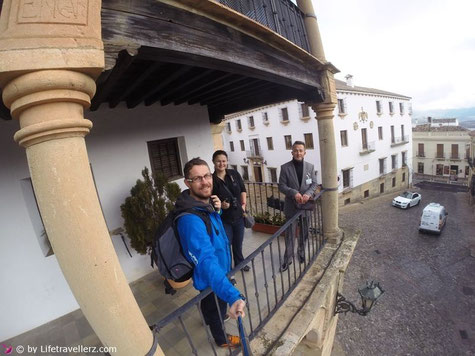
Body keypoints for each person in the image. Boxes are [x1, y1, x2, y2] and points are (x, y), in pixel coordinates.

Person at [176, 157, 246, 348]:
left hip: (218, 273)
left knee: (210, 306)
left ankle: (209, 317)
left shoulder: (201, 206)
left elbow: (214, 232)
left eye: (207, 175)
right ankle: (221, 340)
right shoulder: (191, 220)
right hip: (211, 277)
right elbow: (206, 261)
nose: (205, 181)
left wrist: (217, 212)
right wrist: (233, 296)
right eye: (197, 178)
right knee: (217, 308)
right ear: (187, 183)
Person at [278, 141, 318, 272]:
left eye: (300, 150)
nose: (298, 153)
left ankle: (301, 253)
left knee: (305, 232)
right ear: (292, 152)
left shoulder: (310, 167)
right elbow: (281, 186)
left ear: (304, 152)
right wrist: (294, 193)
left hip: (306, 206)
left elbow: (314, 184)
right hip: (291, 206)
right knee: (290, 234)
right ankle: (287, 259)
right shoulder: (285, 168)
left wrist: (308, 193)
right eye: (295, 150)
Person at [211, 150, 250, 272]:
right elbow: (211, 200)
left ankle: (240, 263)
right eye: (218, 161)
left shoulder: (233, 173)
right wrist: (221, 206)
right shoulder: (212, 180)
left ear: (227, 161)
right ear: (213, 162)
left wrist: (243, 205)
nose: (221, 164)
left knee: (238, 243)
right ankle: (228, 269)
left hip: (238, 216)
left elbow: (243, 189)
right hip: (224, 220)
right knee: (226, 246)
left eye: (223, 161)